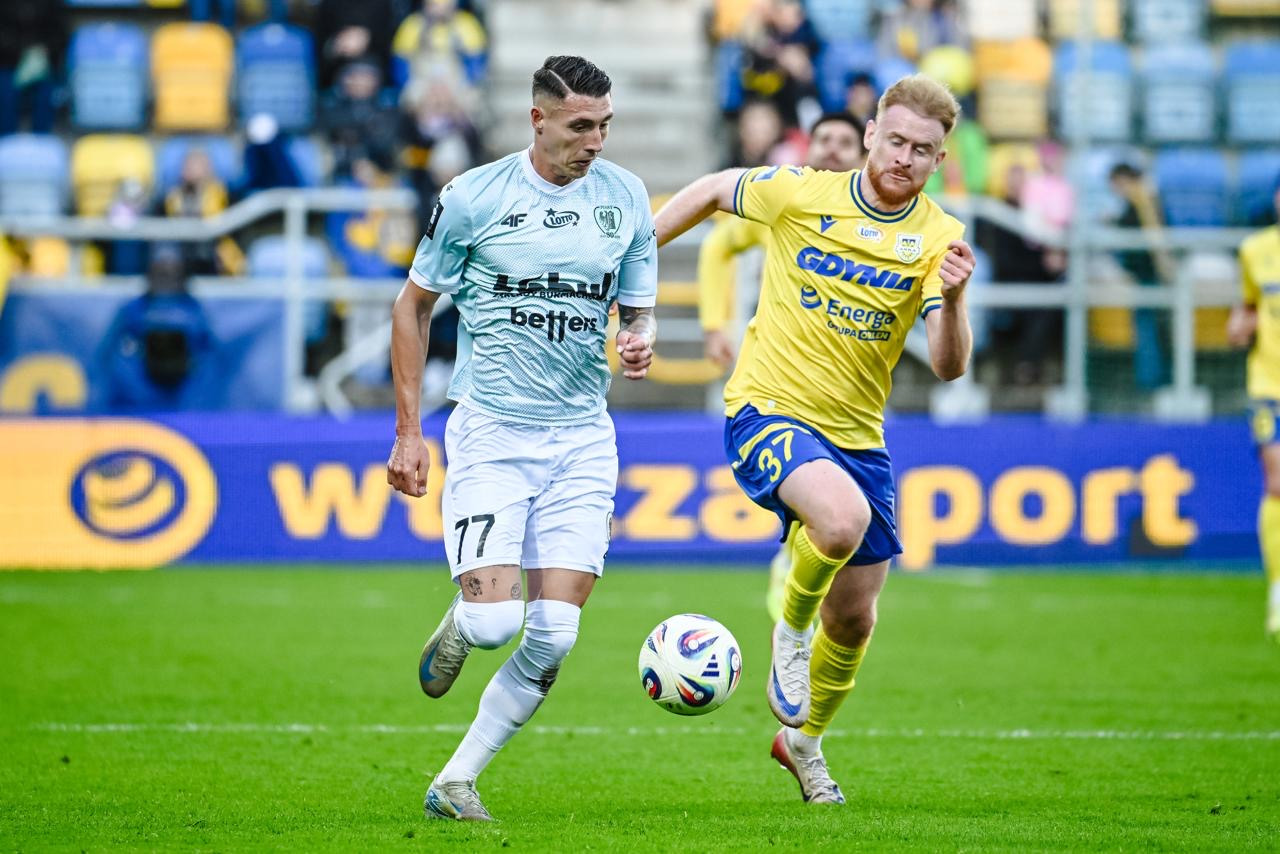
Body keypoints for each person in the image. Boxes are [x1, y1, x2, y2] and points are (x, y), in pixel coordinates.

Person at [655, 74, 975, 804]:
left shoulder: (940, 237)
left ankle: (803, 745)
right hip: (767, 410)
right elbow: (712, 190)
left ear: (939, 159)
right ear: (870, 135)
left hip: (858, 438)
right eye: (895, 141)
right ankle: (789, 633)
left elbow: (950, 366)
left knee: (856, 618)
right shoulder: (800, 192)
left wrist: (955, 299)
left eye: (922, 150)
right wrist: (632, 259)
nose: (904, 158)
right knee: (839, 521)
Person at [385, 55, 658, 822]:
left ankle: (455, 782)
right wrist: (408, 433)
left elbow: (637, 309)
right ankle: (465, 618)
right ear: (537, 120)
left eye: (605, 126)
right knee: (495, 625)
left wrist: (639, 339)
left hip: (583, 438)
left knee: (555, 635)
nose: (595, 141)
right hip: (494, 432)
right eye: (581, 126)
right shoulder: (473, 198)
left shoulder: (626, 197)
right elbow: (412, 307)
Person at [694, 111, 867, 623]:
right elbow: (718, 244)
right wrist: (713, 324)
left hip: (850, 395)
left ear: (864, 156)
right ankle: (790, 603)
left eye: (844, 141)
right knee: (818, 507)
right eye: (823, 138)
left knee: (841, 525)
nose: (832, 148)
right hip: (779, 387)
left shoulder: (882, 224)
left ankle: (796, 582)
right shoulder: (788, 202)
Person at [1226, 177, 1280, 644]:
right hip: (1270, 382)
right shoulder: (1255, 250)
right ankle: (1278, 591)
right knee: (1277, 480)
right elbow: (1247, 306)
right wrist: (1239, 326)